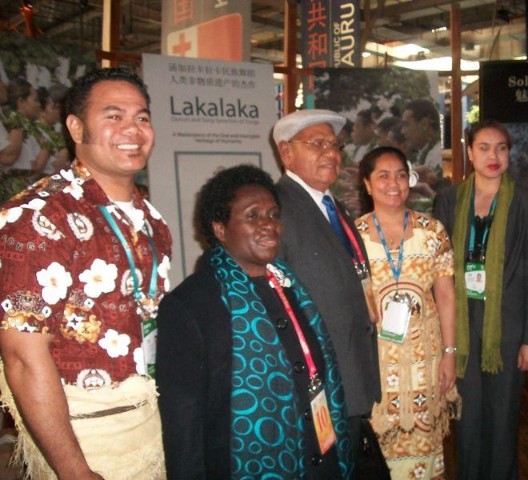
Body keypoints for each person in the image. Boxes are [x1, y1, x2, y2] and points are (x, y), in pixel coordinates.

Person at [0, 67, 172, 480]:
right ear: (76, 128)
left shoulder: (150, 218)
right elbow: (23, 356)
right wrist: (73, 469)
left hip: (149, 421)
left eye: (142, 117)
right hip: (86, 438)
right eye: (113, 116)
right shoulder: (38, 217)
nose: (132, 129)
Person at [156, 165, 353, 479]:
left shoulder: (291, 285)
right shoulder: (189, 306)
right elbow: (183, 428)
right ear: (220, 229)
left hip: (320, 458)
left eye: (274, 215)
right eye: (252, 216)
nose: (269, 225)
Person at [273, 109, 387, 477]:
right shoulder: (276, 209)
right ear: (286, 152)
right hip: (318, 383)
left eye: (335, 146)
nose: (331, 154)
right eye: (317, 144)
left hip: (349, 373)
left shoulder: (333, 206)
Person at [434, 119, 528, 480]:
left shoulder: (527, 202)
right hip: (462, 323)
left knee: (502, 419)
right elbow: (439, 271)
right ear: (469, 153)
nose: (493, 155)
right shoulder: (448, 200)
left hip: (508, 327)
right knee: (467, 418)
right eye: (483, 148)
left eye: (501, 147)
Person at [355, 146, 459, 478]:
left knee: (424, 447)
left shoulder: (432, 231)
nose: (394, 184)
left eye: (401, 175)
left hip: (425, 359)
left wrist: (449, 354)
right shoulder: (353, 237)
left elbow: (446, 295)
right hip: (377, 363)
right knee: (380, 450)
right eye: (383, 176)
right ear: (367, 184)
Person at [401, 99, 441, 171]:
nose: (402, 131)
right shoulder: (426, 153)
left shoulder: (437, 154)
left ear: (424, 123)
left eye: (406, 124)